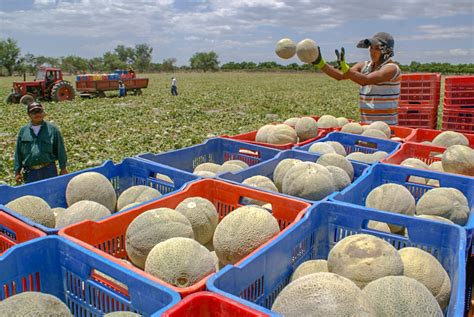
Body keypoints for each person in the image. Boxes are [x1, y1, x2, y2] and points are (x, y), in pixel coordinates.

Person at [313, 32, 400, 125]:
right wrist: (320, 63)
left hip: (387, 127)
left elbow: (365, 80)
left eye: (377, 49)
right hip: (366, 126)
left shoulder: (392, 68)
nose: (372, 52)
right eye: (371, 47)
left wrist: (346, 69)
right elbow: (340, 75)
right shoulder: (364, 66)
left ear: (386, 51)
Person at [14, 102, 68, 184]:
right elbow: (18, 152)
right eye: (34, 112)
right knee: (33, 195)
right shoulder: (23, 131)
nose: (37, 114)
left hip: (49, 170)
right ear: (29, 114)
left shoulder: (53, 129)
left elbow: (60, 150)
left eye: (39, 111)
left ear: (43, 112)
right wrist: (17, 171)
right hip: (30, 172)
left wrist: (63, 168)